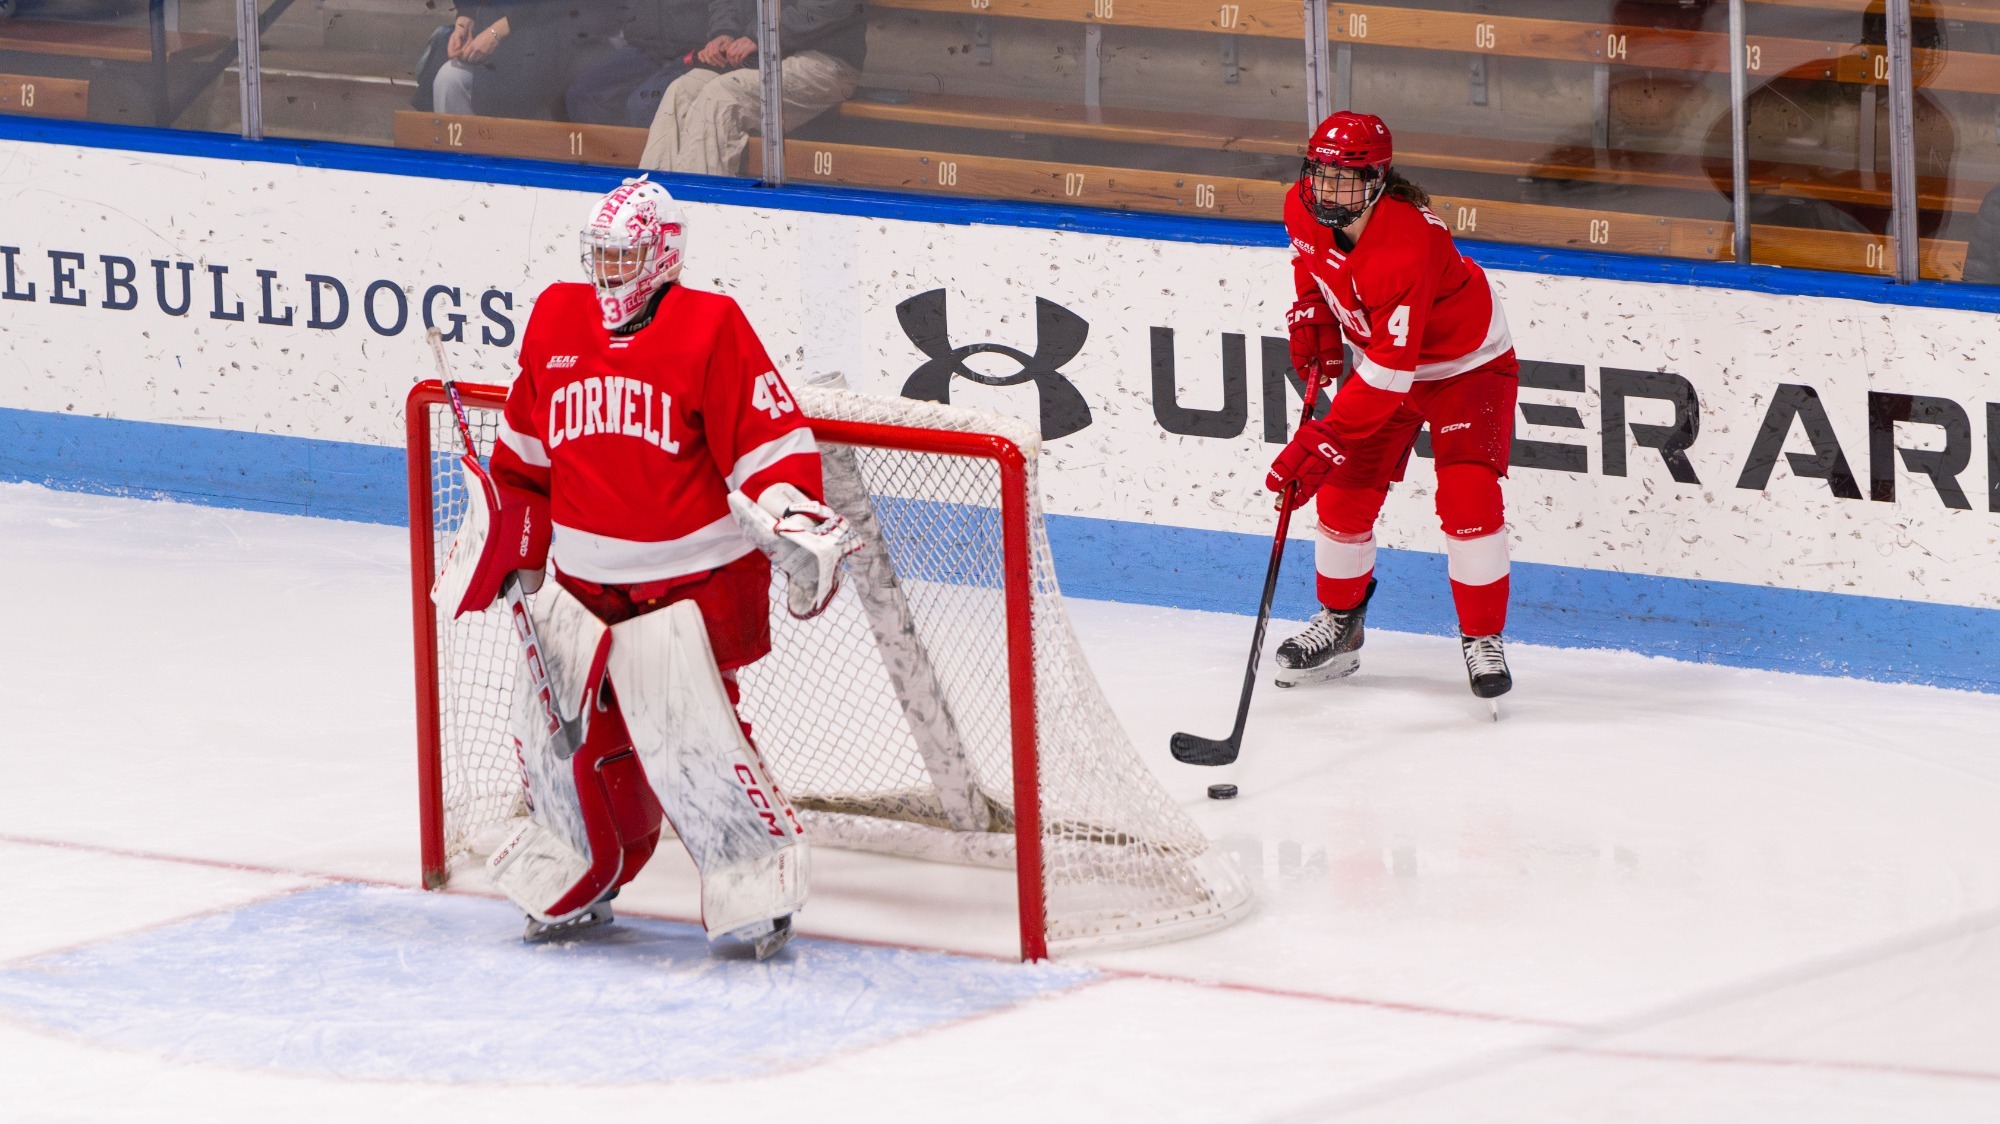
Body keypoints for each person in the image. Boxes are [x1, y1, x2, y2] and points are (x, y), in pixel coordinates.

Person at [441, 176, 859, 958]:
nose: (606, 272)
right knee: (555, 735)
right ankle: (579, 865)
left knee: (688, 731)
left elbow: (767, 441)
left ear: (662, 256)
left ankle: (753, 878)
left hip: (690, 584)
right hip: (584, 584)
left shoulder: (710, 327)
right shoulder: (556, 317)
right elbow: (527, 458)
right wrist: (511, 543)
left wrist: (793, 511)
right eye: (598, 255)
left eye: (622, 256)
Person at [1266, 112, 1520, 702]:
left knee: (1468, 496)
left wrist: (1321, 438)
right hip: (1388, 363)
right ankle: (1341, 623)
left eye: (1346, 178)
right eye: (1320, 174)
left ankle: (1483, 638)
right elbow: (1312, 264)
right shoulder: (1299, 207)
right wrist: (1313, 314)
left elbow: (1388, 373)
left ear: (1378, 179)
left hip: (1467, 367)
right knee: (1342, 495)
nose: (1329, 190)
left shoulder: (1408, 242)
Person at [637, 0, 866, 176]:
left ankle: (703, 217)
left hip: (824, 59)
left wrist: (764, 34)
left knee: (721, 96)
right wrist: (723, 32)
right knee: (682, 90)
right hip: (758, 58)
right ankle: (650, 213)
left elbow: (831, 5)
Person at [564, 0, 712, 128]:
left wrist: (723, 34)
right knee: (582, 94)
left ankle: (644, 159)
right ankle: (606, 158)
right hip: (645, 48)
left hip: (695, 54)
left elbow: (726, 8)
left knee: (643, 104)